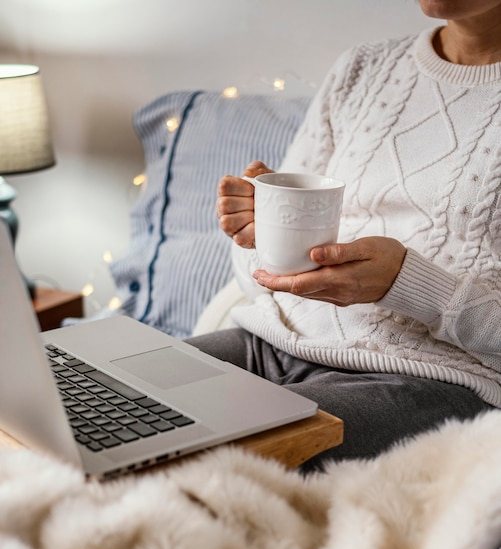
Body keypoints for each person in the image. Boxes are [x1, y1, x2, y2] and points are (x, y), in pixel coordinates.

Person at [186, 0, 501, 471]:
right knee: (89, 397)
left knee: (204, 465)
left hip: (429, 379)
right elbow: (258, 279)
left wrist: (408, 284)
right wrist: (262, 236)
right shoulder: (364, 69)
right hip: (268, 342)